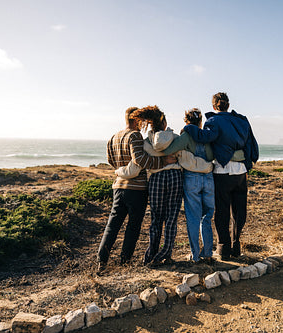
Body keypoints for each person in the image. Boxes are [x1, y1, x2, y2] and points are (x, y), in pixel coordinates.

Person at [122, 105, 211, 266]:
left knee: (156, 218)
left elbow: (137, 165)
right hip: (175, 178)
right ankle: (166, 254)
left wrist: (120, 172)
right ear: (164, 124)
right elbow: (186, 160)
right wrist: (208, 166)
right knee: (171, 218)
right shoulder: (176, 139)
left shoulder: (146, 143)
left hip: (156, 179)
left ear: (152, 124)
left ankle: (151, 254)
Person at [96, 107, 175, 274]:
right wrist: (163, 162)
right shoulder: (135, 136)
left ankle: (101, 261)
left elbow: (111, 161)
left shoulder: (113, 137)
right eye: (141, 121)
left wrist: (122, 171)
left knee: (113, 225)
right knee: (133, 227)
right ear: (135, 120)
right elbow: (139, 159)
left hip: (118, 187)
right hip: (137, 189)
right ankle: (125, 262)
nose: (143, 124)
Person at [183, 92, 258, 260]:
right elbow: (251, 143)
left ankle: (224, 249)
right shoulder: (242, 120)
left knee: (222, 211)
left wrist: (189, 127)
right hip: (241, 172)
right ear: (228, 105)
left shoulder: (213, 121)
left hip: (222, 172)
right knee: (239, 211)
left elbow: (205, 137)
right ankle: (236, 244)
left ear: (214, 106)